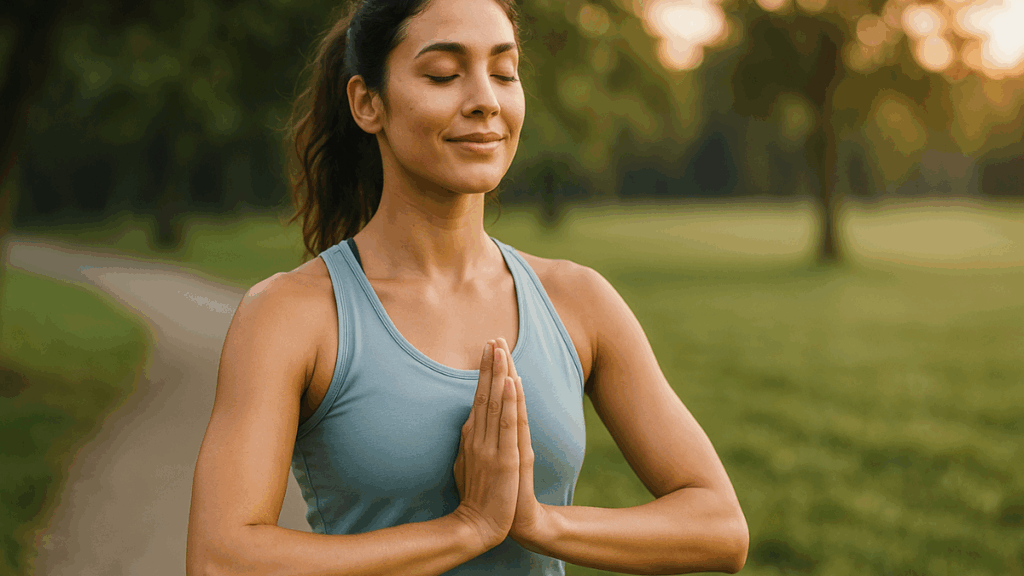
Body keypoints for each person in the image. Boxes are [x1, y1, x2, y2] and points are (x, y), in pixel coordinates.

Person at [185, 0, 748, 574]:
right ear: (367, 103)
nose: (487, 100)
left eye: (504, 73)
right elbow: (221, 560)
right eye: (443, 75)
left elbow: (719, 528)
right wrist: (467, 528)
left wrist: (538, 523)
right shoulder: (291, 315)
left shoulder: (578, 300)